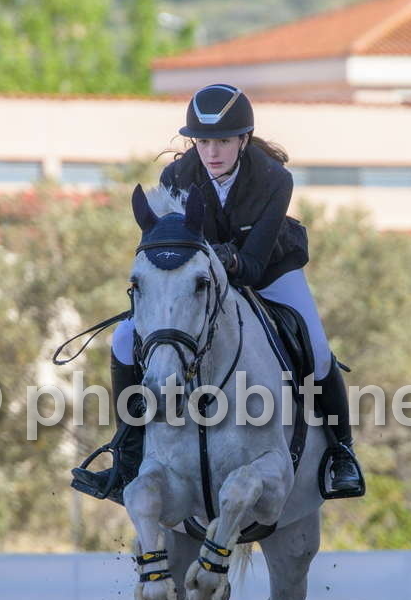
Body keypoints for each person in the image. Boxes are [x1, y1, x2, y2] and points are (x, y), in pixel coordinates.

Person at [74, 83, 362, 504]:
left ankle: (341, 452)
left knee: (317, 349)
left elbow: (253, 265)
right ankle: (127, 456)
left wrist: (216, 259)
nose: (212, 152)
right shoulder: (176, 177)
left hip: (269, 270)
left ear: (243, 139)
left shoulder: (274, 179)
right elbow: (172, 251)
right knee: (122, 339)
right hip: (200, 282)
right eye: (203, 142)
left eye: (223, 141)